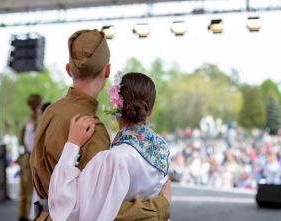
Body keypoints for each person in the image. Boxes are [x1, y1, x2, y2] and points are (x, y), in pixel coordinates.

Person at [30, 30, 170, 221]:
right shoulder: (91, 129)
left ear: (69, 70)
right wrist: (161, 206)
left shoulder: (50, 112)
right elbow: (100, 210)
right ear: (107, 71)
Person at [49, 72, 170, 221]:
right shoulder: (163, 149)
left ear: (116, 106)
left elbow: (71, 210)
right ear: (150, 110)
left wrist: (72, 145)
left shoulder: (114, 158)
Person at [17, 94, 42, 221]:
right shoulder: (33, 121)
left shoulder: (28, 120)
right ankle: (26, 216)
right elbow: (30, 142)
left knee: (24, 190)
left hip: (24, 157)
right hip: (29, 157)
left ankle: (22, 215)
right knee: (29, 190)